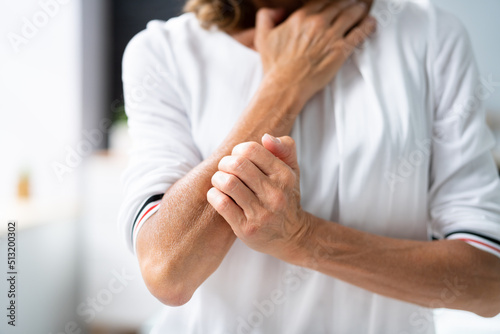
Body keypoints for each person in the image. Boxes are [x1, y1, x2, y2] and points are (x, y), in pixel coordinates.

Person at [118, 0, 500, 332]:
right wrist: (284, 85)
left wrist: (304, 240)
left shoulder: (431, 35)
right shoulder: (162, 53)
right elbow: (168, 273)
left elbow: (489, 282)